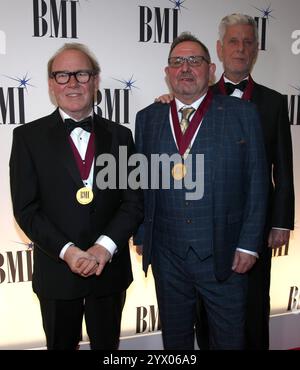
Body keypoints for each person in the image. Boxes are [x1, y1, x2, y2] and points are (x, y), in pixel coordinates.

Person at [156, 14, 295, 350]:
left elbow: (282, 169)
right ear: (219, 51)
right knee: (205, 316)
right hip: (201, 235)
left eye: (248, 42)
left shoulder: (273, 102)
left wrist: (280, 222)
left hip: (251, 228)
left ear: (256, 51)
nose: (241, 48)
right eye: (233, 41)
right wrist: (171, 105)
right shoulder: (193, 95)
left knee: (252, 307)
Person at [133, 32, 268, 349]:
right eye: (177, 61)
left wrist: (249, 246)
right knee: (175, 341)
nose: (185, 67)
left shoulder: (242, 114)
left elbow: (258, 182)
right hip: (168, 257)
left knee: (228, 339)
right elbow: (140, 184)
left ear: (210, 70)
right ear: (167, 73)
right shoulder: (148, 119)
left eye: (194, 60)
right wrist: (142, 236)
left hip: (225, 255)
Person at [9, 43, 143, 350]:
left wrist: (104, 248)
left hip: (108, 271)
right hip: (57, 272)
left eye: (81, 74)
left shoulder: (122, 136)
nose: (72, 82)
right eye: (62, 75)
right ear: (51, 84)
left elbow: (133, 202)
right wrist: (68, 251)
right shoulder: (27, 138)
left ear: (95, 81)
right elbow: (26, 209)